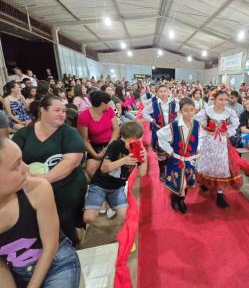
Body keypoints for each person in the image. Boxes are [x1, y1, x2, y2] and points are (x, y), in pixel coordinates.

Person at [0, 138, 81, 288]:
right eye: (17, 165)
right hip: (17, 272)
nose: (27, 168)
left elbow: (51, 245)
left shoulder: (37, 189)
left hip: (57, 262)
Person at [12, 95, 87, 246]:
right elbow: (11, 159)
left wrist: (44, 179)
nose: (62, 114)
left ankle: (68, 245)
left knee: (63, 218)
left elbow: (72, 162)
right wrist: (29, 178)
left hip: (67, 184)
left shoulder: (69, 133)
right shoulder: (25, 134)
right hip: (31, 184)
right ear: (43, 111)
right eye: (57, 110)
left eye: (64, 111)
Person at [83, 121, 147, 224]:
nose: (135, 144)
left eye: (138, 140)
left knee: (126, 216)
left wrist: (144, 158)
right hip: (100, 184)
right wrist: (124, 160)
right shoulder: (115, 145)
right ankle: (99, 197)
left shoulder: (139, 149)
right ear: (123, 138)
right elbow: (104, 168)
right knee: (88, 218)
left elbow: (142, 173)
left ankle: (108, 200)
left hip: (117, 188)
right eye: (131, 142)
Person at [195, 90, 242, 208]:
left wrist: (229, 132)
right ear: (214, 99)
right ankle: (206, 181)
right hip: (209, 142)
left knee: (221, 166)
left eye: (226, 99)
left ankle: (220, 193)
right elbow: (196, 121)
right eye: (221, 99)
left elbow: (236, 123)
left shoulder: (229, 112)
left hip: (222, 143)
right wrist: (205, 130)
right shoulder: (207, 111)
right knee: (207, 163)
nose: (224, 102)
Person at [157, 98, 200, 213]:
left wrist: (198, 148)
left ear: (195, 111)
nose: (189, 113)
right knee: (178, 180)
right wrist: (169, 150)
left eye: (192, 110)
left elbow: (201, 137)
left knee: (186, 182)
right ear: (180, 112)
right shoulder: (174, 125)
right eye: (185, 110)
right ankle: (177, 199)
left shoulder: (197, 124)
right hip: (176, 159)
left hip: (190, 160)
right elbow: (160, 134)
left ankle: (181, 199)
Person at [77, 90, 120, 179]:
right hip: (95, 146)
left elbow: (116, 130)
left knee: (114, 168)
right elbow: (84, 140)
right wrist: (95, 155)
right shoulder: (83, 117)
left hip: (112, 142)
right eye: (109, 102)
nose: (111, 104)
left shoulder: (109, 111)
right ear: (102, 104)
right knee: (90, 170)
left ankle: (112, 185)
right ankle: (100, 186)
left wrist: (109, 146)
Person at [142, 85, 178, 177]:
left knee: (171, 150)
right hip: (159, 130)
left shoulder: (174, 103)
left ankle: (170, 169)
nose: (163, 93)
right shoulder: (154, 104)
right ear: (157, 93)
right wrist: (152, 120)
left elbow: (180, 113)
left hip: (171, 131)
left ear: (168, 92)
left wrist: (176, 121)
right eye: (160, 91)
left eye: (165, 91)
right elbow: (144, 112)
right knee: (161, 151)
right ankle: (162, 170)